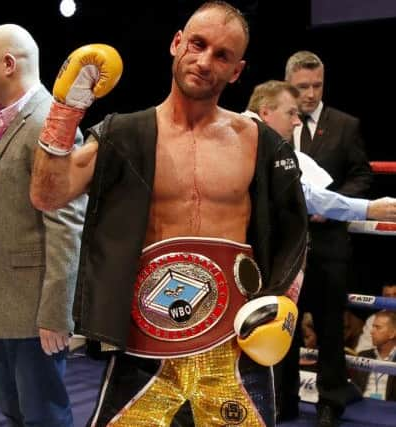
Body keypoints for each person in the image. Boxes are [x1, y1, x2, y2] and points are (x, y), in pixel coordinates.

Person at [30, 2, 308, 426]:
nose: (204, 61)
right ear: (177, 43)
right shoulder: (125, 134)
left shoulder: (257, 140)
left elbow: (294, 227)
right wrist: (66, 109)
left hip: (232, 344)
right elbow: (48, 195)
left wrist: (286, 296)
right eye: (197, 44)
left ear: (237, 71)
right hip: (146, 343)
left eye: (222, 55)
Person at [0, 24, 87, 426]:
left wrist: (56, 312)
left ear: (7, 64)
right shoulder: (3, 127)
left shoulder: (46, 124)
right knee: (14, 407)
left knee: (43, 415)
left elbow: (68, 223)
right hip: (5, 303)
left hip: (35, 311)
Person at [284, 50, 373, 427]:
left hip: (329, 245)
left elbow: (362, 177)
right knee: (283, 327)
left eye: (317, 85)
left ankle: (330, 402)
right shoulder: (275, 122)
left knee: (330, 327)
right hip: (287, 246)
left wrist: (332, 203)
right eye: (303, 86)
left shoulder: (344, 125)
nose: (310, 93)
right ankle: (283, 399)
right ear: (290, 85)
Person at [243, 79, 396, 222]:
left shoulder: (257, 139)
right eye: (290, 113)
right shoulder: (248, 139)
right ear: (265, 113)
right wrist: (368, 209)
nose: (297, 122)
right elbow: (304, 195)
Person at [351, 311, 396, 401]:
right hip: (362, 405)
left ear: (392, 333)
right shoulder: (363, 355)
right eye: (372, 327)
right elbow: (354, 389)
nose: (371, 332)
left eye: (378, 327)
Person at [356, 283, 396, 353]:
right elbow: (362, 349)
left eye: (395, 295)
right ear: (382, 298)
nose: (392, 300)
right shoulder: (373, 319)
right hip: (380, 360)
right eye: (388, 296)